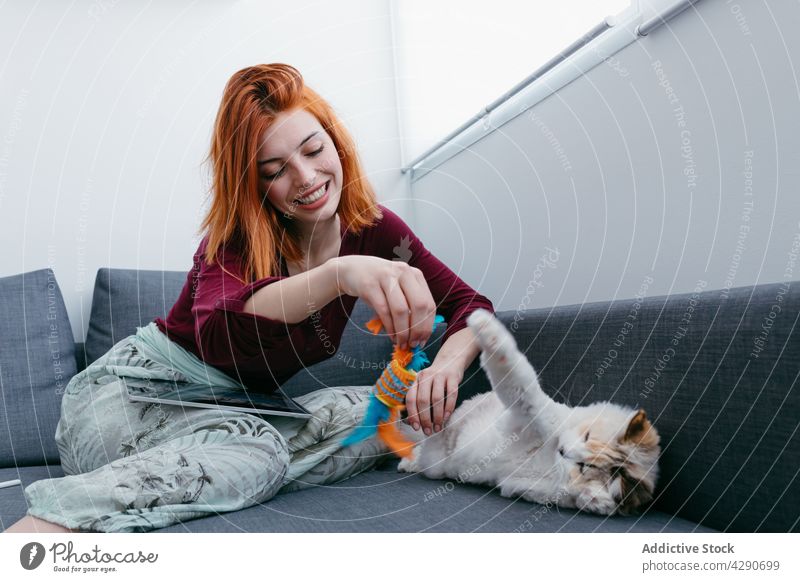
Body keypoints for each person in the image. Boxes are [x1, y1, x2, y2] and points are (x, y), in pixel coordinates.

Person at [4, 63, 494, 533]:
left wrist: (446, 366)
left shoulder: (374, 227)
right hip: (131, 396)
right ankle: (44, 526)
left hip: (241, 412)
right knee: (259, 453)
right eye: (275, 169)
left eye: (313, 149)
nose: (305, 177)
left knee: (384, 413)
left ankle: (231, 470)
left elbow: (472, 305)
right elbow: (220, 328)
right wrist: (338, 274)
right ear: (254, 186)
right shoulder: (234, 240)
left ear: (336, 142)